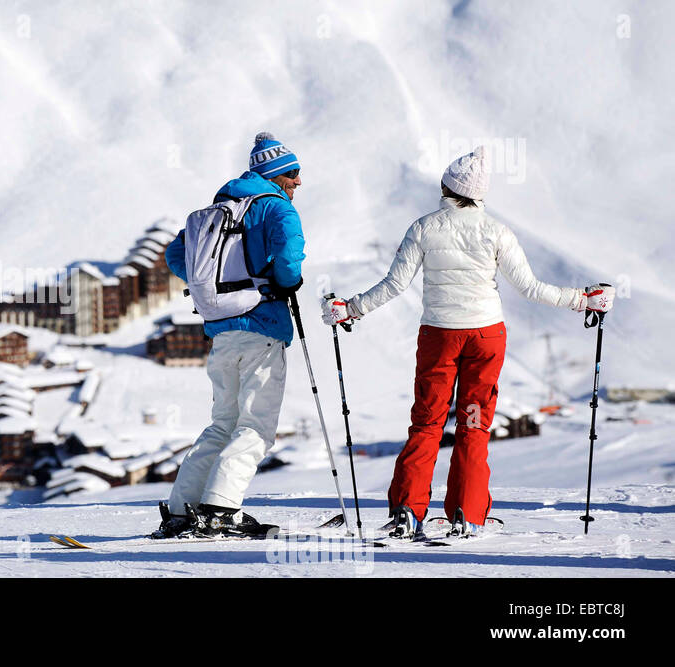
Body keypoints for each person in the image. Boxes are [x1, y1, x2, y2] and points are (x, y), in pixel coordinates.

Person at [321, 146, 616, 539]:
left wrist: (351, 309)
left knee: (427, 423)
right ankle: (469, 513)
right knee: (473, 424)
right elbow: (529, 288)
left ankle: (408, 511)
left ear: (446, 186)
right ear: (480, 193)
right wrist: (583, 300)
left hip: (439, 337)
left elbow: (394, 285)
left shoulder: (424, 227)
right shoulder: (497, 231)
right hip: (485, 337)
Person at [151, 131, 306, 538]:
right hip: (263, 324)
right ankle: (220, 510)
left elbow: (173, 255)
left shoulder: (218, 210)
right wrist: (285, 283)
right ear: (274, 174)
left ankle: (184, 510)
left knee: (222, 422)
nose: (298, 181)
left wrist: (215, 285)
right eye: (292, 173)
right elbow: (290, 257)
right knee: (255, 425)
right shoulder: (277, 209)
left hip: (221, 330)